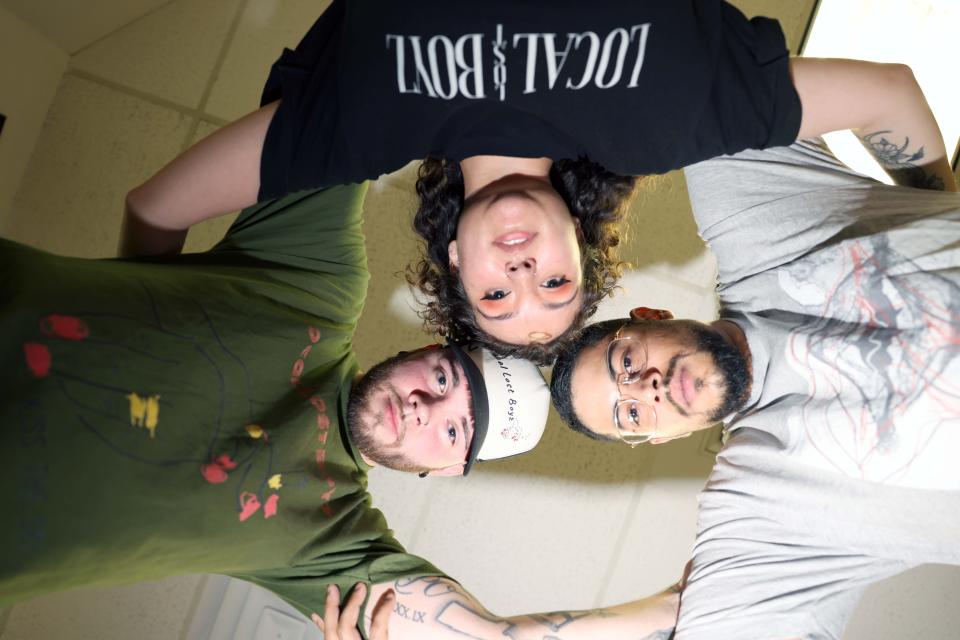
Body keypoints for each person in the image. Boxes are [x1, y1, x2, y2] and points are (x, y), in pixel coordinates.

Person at [7, 181, 676, 639]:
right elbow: (346, 110)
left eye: (452, 429)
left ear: (443, 470)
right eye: (443, 377)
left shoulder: (328, 540)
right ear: (425, 347)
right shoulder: (315, 286)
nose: (422, 404)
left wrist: (672, 609)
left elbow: (489, 636)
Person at [120, 0, 956, 363]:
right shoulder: (668, 128)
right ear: (581, 246)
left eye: (497, 298)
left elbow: (153, 208)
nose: (523, 276)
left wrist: (147, 322)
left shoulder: (356, 136)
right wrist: (938, 218)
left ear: (454, 261)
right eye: (555, 284)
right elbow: (890, 95)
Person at [549, 138, 960, 638]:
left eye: (626, 361)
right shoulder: (759, 502)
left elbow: (688, 80)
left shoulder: (752, 222)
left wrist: (940, 199)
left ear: (652, 316)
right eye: (629, 415)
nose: (646, 390)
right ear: (660, 438)